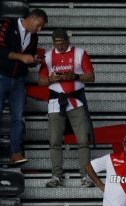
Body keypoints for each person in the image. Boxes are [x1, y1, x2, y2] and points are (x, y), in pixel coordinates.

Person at [0, 8, 48, 164]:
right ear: (32, 19)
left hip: (19, 79)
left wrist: (34, 60)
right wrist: (22, 57)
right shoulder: (8, 25)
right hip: (0, 76)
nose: (40, 29)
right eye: (39, 25)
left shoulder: (34, 36)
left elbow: (28, 60)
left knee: (18, 117)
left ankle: (15, 153)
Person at [39, 29, 95, 188]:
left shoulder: (79, 53)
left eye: (62, 43)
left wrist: (75, 76)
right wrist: (50, 79)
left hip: (76, 100)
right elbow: (41, 81)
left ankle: (86, 176)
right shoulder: (48, 56)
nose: (60, 46)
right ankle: (56, 176)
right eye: (56, 43)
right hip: (55, 100)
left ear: (67, 40)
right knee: (55, 140)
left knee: (83, 140)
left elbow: (91, 76)